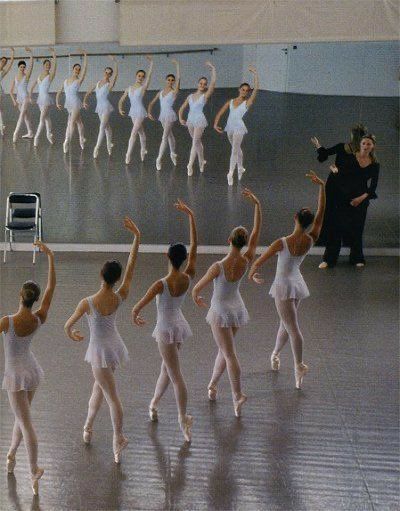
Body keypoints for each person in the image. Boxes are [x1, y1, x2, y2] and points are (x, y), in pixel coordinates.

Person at [64, 218, 140, 463]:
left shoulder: (87, 302)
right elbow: (131, 266)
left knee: (111, 396)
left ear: (101, 275)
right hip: (113, 348)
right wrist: (136, 237)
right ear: (116, 280)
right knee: (99, 388)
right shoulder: (120, 296)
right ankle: (87, 427)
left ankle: (118, 439)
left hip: (99, 352)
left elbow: (68, 325)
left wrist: (72, 334)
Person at [248, 172, 326, 389]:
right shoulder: (312, 238)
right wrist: (322, 187)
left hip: (284, 286)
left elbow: (258, 261)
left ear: (294, 218)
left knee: (293, 327)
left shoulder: (281, 242)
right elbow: (321, 213)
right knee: (286, 323)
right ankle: (274, 354)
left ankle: (298, 366)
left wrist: (252, 273)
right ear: (309, 223)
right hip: (297, 282)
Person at [192, 189, 261, 417]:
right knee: (224, 350)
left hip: (221, 312)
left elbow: (197, 288)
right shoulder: (246, 259)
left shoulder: (217, 266)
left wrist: (196, 296)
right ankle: (212, 386)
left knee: (229, 353)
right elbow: (256, 236)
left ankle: (236, 395)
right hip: (236, 308)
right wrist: (257, 206)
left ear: (229, 240)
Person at [132, 200, 197, 442]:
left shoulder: (161, 284)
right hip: (178, 325)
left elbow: (139, 304)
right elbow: (195, 247)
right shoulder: (188, 276)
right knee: (167, 369)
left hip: (166, 329)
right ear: (184, 258)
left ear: (167, 256)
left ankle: (183, 420)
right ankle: (154, 404)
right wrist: (191, 217)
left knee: (175, 374)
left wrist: (135, 313)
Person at [1, 241, 56, 495]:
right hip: (31, 371)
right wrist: (51, 257)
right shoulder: (37, 318)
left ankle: (33, 470)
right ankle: (11, 456)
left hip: (15, 375)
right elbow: (51, 288)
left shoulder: (7, 322)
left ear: (20, 296)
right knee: (21, 418)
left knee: (26, 422)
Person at [311, 130, 379, 267]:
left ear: (372, 147)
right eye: (364, 143)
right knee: (336, 227)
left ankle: (357, 258)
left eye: (368, 144)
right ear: (360, 145)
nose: (366, 145)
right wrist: (335, 172)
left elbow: (372, 187)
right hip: (343, 198)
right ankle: (329, 259)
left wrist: (360, 199)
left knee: (357, 228)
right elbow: (343, 177)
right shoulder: (351, 158)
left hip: (361, 200)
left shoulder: (375, 164)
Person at [214, 66, 259, 185]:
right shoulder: (230, 101)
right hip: (229, 127)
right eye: (243, 89)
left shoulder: (247, 103)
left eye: (247, 90)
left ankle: (230, 173)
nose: (245, 91)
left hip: (239, 128)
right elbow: (220, 112)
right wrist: (215, 124)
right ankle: (240, 168)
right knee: (237, 149)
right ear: (239, 89)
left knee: (234, 150)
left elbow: (256, 90)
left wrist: (255, 74)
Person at [178, 62, 216, 176]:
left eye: (204, 84)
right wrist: (180, 118)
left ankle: (189, 165)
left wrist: (213, 69)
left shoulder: (204, 96)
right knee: (197, 142)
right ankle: (201, 161)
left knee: (194, 143)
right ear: (198, 84)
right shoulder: (190, 96)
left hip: (199, 120)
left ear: (205, 86)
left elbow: (213, 83)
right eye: (201, 83)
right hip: (190, 120)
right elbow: (181, 108)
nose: (202, 85)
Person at [119, 55, 153, 165]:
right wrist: (120, 108)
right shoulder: (129, 88)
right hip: (133, 112)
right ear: (136, 76)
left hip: (140, 112)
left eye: (142, 76)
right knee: (141, 133)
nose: (141, 77)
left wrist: (151, 63)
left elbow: (149, 77)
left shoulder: (143, 87)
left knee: (133, 133)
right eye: (139, 75)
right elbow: (121, 100)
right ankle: (143, 150)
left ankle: (128, 154)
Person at [148, 59, 180, 170]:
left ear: (174, 82)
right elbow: (152, 103)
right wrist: (149, 112)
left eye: (172, 80)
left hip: (170, 115)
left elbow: (179, 79)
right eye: (169, 80)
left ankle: (159, 159)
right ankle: (172, 153)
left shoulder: (174, 92)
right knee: (170, 135)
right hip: (162, 116)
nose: (170, 81)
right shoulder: (160, 92)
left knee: (164, 137)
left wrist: (177, 66)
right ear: (166, 80)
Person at [83, 55, 118, 158]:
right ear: (104, 72)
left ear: (110, 75)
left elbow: (116, 76)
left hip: (106, 107)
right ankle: (109, 145)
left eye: (109, 73)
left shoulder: (109, 84)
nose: (107, 74)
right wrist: (85, 100)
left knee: (102, 127)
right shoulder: (98, 82)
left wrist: (115, 62)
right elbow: (89, 91)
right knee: (106, 127)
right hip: (99, 107)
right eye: (106, 72)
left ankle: (96, 148)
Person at [56, 49, 88, 153]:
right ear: (73, 69)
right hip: (68, 104)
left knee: (71, 122)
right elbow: (59, 92)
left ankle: (66, 141)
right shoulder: (65, 81)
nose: (77, 70)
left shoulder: (79, 80)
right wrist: (57, 102)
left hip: (75, 103)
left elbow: (85, 70)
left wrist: (85, 56)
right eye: (76, 68)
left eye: (79, 69)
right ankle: (82, 139)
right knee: (79, 122)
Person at [30, 48, 57, 146]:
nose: (48, 66)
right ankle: (49, 134)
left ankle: (36, 138)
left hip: (46, 99)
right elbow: (33, 86)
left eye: (49, 65)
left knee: (41, 119)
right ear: (43, 65)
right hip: (40, 99)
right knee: (46, 117)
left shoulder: (50, 76)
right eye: (46, 65)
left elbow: (55, 67)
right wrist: (30, 96)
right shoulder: (39, 75)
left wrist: (54, 55)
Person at [10, 47, 34, 142]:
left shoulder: (26, 76)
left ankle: (15, 133)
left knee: (21, 115)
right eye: (21, 67)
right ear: (18, 67)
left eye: (24, 67)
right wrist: (13, 100)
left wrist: (31, 53)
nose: (23, 68)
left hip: (25, 98)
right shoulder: (15, 77)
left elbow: (31, 66)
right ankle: (30, 132)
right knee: (25, 116)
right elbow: (11, 91)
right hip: (18, 99)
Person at [0, 47, 15, 135]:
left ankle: (1, 125)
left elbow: (11, 63)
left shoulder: (3, 72)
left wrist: (12, 53)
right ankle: (1, 124)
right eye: (2, 61)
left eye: (5, 62)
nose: (3, 63)